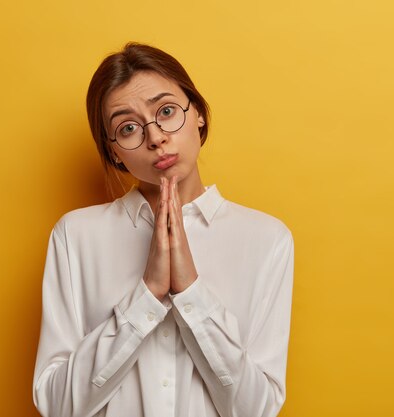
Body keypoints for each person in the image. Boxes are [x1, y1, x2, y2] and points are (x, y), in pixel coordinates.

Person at [32, 43, 294, 417]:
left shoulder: (267, 240)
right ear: (114, 153)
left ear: (198, 114)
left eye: (166, 111)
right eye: (128, 128)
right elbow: (57, 406)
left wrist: (191, 292)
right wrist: (147, 295)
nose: (155, 137)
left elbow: (257, 409)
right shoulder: (76, 237)